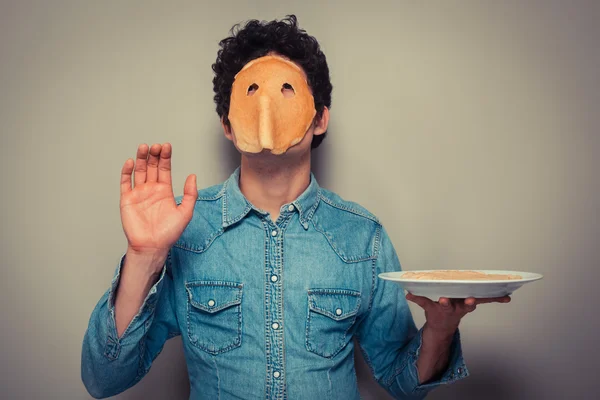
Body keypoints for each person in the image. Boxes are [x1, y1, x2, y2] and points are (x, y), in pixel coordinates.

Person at [81, 15, 510, 400]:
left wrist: (439, 330)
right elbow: (104, 380)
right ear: (228, 126)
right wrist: (143, 257)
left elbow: (403, 381)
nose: (268, 106)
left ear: (320, 118)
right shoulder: (185, 230)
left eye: (287, 89)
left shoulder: (363, 237)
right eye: (251, 92)